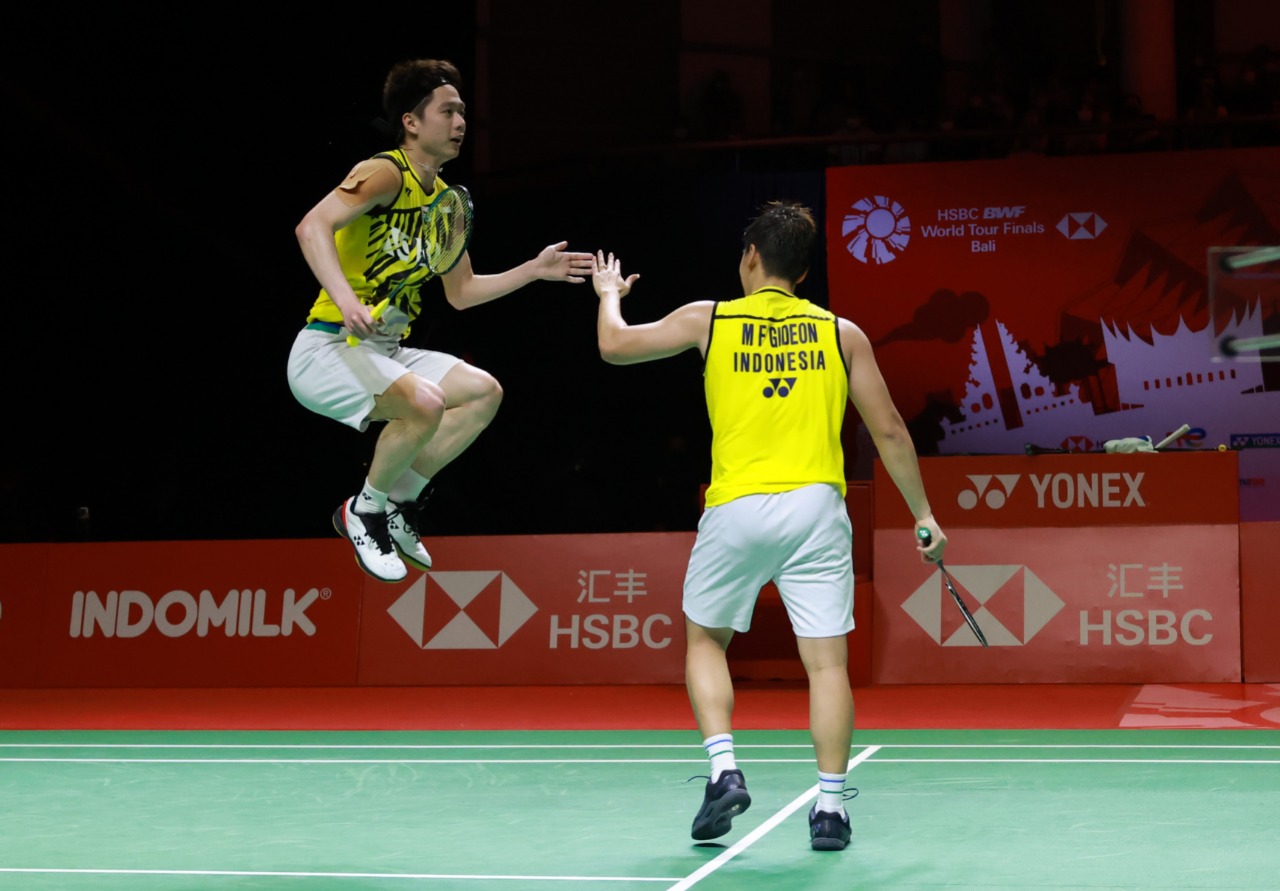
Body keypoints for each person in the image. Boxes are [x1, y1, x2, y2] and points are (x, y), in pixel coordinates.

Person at [590, 200, 947, 851]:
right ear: (803, 272)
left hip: (737, 507)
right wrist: (922, 514)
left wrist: (609, 294)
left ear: (750, 256)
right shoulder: (842, 333)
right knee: (827, 663)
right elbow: (890, 429)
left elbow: (613, 346)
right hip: (816, 508)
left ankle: (724, 769)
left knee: (706, 639)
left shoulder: (711, 319)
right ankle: (830, 809)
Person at [288, 58, 593, 582]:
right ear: (410, 121)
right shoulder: (386, 172)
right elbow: (312, 227)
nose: (460, 122)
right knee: (425, 403)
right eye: (447, 111)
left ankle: (398, 502)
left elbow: (463, 293)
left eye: (463, 112)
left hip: (382, 351)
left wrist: (533, 270)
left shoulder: (445, 203)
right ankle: (363, 509)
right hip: (328, 349)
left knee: (482, 393)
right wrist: (346, 301)